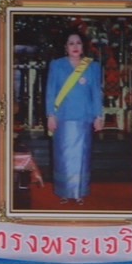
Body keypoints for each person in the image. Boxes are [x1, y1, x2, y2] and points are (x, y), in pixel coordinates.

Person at [45, 30, 102, 203]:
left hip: (84, 118)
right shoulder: (57, 65)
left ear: (83, 46)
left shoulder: (93, 66)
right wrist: (50, 115)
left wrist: (99, 116)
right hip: (63, 118)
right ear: (65, 47)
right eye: (71, 43)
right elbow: (50, 91)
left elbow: (96, 93)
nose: (75, 46)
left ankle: (79, 193)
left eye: (78, 43)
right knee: (63, 156)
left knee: (82, 157)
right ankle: (64, 192)